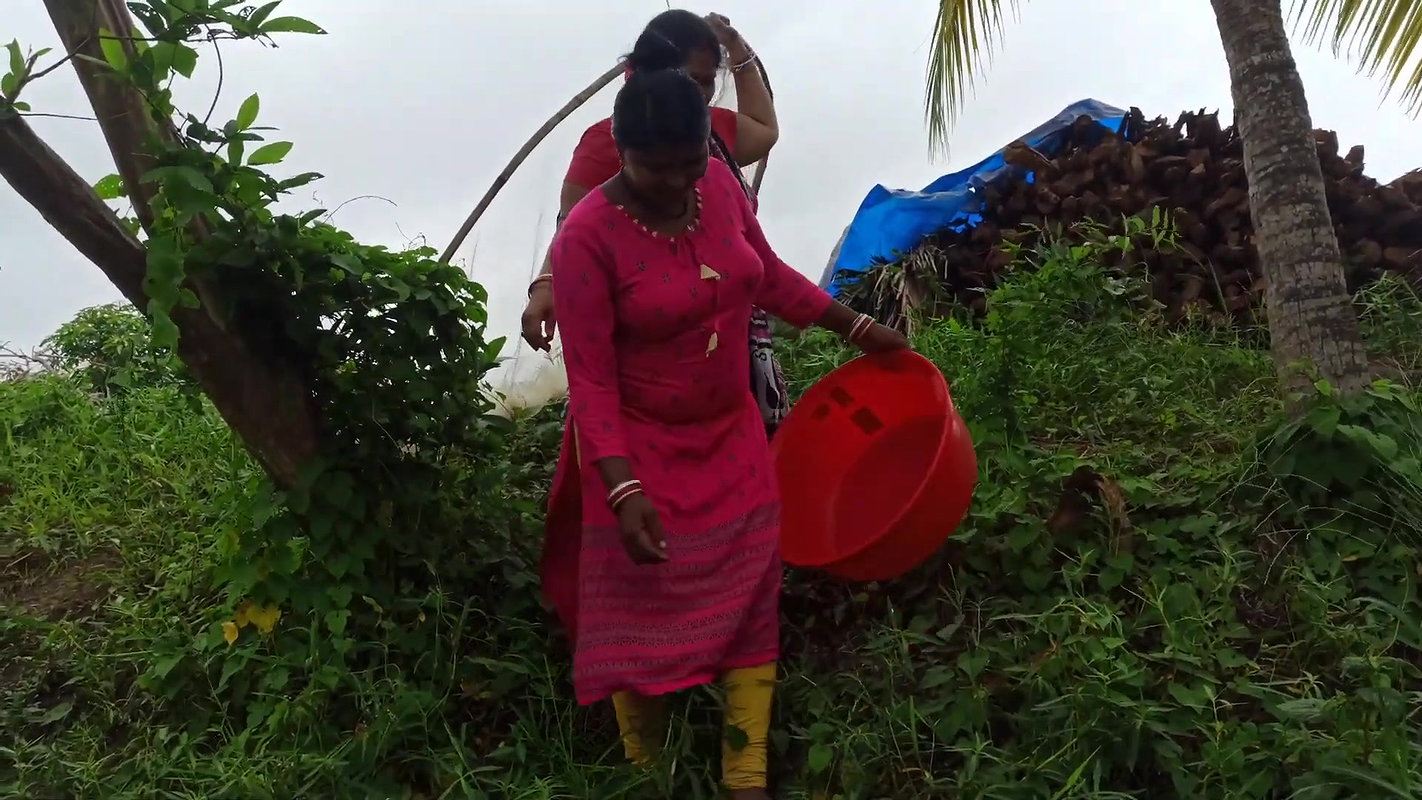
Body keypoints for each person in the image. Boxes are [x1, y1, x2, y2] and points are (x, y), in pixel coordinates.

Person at [542, 27, 910, 799]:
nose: (677, 185)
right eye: (656, 168)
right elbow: (593, 381)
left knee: (749, 590)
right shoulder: (587, 239)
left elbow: (768, 274)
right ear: (621, 148)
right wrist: (621, 488)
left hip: (730, 429)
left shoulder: (715, 186)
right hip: (635, 447)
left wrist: (858, 328)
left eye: (688, 166)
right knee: (636, 608)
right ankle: (646, 772)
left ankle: (745, 774)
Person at [522, 8, 792, 439]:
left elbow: (764, 131)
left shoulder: (710, 135)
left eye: (708, 81)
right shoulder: (608, 143)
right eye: (693, 79)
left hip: (724, 331)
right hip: (655, 342)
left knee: (736, 442)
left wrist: (738, 51)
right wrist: (546, 285)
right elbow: (571, 228)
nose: (703, 94)